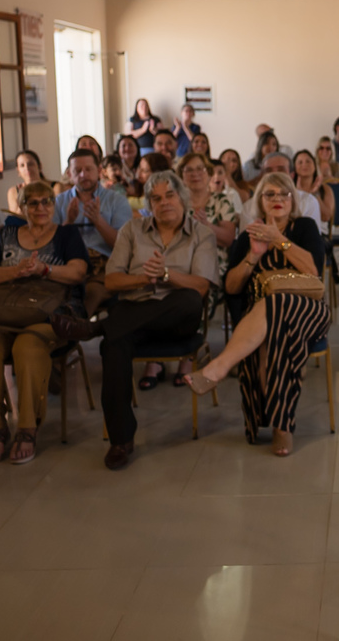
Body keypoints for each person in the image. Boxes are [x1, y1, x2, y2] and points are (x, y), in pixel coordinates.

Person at [57, 170, 216, 470]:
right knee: (113, 346)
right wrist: (146, 278)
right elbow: (113, 282)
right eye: (156, 198)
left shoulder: (201, 233)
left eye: (169, 195)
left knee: (188, 299)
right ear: (149, 205)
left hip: (178, 321)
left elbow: (201, 286)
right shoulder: (132, 230)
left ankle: (97, 327)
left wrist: (166, 275)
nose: (164, 203)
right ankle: (121, 441)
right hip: (133, 316)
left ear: (182, 198)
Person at [186, 173, 330, 458]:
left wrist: (279, 240)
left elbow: (314, 272)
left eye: (284, 194)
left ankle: (221, 365)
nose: (278, 199)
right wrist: (253, 257)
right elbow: (231, 287)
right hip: (262, 322)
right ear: (260, 202)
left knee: (275, 303)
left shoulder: (305, 227)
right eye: (270, 194)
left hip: (307, 311)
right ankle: (282, 425)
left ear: (293, 199)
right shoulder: (247, 236)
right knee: (271, 332)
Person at [0, 181, 88, 465]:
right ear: (22, 207)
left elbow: (77, 273)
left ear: (54, 205)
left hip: (48, 316)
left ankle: (26, 429)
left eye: (46, 201)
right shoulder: (7, 235)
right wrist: (15, 271)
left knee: (27, 347)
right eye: (32, 203)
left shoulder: (66, 235)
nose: (40, 208)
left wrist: (45, 269)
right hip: (3, 314)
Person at [53, 149, 133, 315]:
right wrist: (68, 222)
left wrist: (98, 220)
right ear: (69, 173)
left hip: (104, 265)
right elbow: (50, 246)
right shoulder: (59, 202)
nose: (83, 175)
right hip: (69, 264)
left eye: (88, 169)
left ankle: (75, 329)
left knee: (91, 293)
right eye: (77, 171)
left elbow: (124, 246)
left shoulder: (116, 201)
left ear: (99, 171)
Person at [178, 151, 237, 301]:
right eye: (189, 170)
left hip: (212, 262)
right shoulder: (176, 203)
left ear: (209, 174)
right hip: (180, 260)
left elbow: (228, 239)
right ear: (181, 176)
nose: (195, 174)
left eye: (200, 169)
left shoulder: (221, 201)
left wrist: (207, 226)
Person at [239, 152, 321, 223]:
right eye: (268, 170)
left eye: (281, 170)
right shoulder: (248, 208)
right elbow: (246, 239)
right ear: (262, 176)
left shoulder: (308, 202)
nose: (275, 175)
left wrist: (278, 239)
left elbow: (307, 241)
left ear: (292, 175)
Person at [7, 150, 59, 215]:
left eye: (30, 164)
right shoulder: (13, 192)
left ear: (39, 166)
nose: (27, 168)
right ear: (18, 171)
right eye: (22, 165)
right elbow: (15, 218)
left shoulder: (56, 187)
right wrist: (22, 197)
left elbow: (55, 212)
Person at [293, 149, 334, 233]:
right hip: (295, 234)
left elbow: (326, 217)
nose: (304, 165)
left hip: (319, 234)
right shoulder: (290, 190)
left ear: (315, 166)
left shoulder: (325, 189)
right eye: (300, 162)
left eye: (308, 161)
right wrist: (300, 193)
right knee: (284, 245)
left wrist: (314, 195)